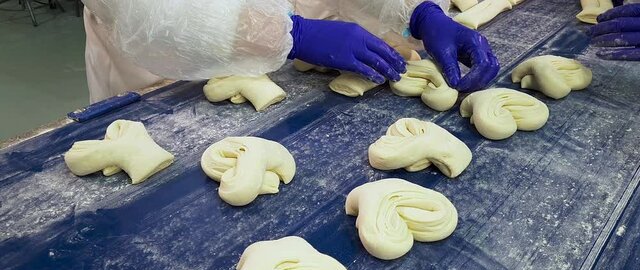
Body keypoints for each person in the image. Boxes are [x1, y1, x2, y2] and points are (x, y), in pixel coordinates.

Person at [82, 1, 499, 103]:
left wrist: (417, 10)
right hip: (168, 68)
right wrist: (290, 34)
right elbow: (157, 14)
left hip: (293, 58)